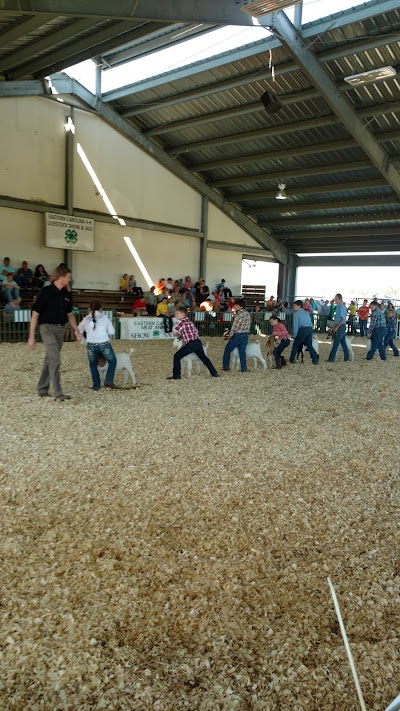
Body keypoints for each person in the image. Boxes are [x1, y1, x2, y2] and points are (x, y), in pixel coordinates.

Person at [27, 265, 81, 401]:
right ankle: (58, 393)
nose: (70, 280)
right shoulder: (46, 292)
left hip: (60, 329)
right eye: (68, 277)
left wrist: (77, 330)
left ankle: (42, 389)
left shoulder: (67, 294)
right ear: (61, 278)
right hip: (47, 328)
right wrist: (31, 336)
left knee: (50, 358)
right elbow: (35, 314)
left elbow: (70, 315)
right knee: (55, 359)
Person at [168, 306, 218, 380]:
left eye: (177, 314)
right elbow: (192, 333)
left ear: (182, 314)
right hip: (197, 342)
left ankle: (176, 375)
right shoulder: (190, 322)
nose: (176, 315)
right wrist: (182, 336)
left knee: (177, 356)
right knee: (204, 358)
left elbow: (174, 332)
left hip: (191, 344)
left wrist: (178, 335)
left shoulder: (181, 322)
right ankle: (214, 373)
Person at [78, 301, 118, 390]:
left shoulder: (85, 319)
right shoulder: (105, 318)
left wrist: (84, 342)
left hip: (91, 345)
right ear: (100, 309)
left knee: (93, 365)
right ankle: (109, 380)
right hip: (104, 344)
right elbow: (112, 332)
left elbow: (78, 332)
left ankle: (96, 385)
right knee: (113, 361)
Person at [222, 298, 251, 373]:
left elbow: (235, 327)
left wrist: (230, 335)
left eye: (237, 305)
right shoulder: (247, 314)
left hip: (237, 335)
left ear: (241, 307)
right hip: (245, 335)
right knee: (242, 352)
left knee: (227, 349)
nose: (235, 306)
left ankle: (226, 366)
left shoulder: (239, 315)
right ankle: (244, 368)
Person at [289, 300, 318, 365]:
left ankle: (292, 359)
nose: (293, 307)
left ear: (299, 306)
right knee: (309, 345)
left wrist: (295, 335)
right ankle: (315, 360)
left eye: (294, 305)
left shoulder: (296, 314)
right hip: (310, 329)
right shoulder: (306, 312)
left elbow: (295, 325)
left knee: (296, 345)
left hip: (303, 329)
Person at [327, 294, 350, 363]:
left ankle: (331, 358)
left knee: (336, 342)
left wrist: (337, 327)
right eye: (335, 298)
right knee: (343, 343)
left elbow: (343, 318)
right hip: (338, 325)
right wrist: (334, 326)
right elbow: (336, 318)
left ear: (340, 299)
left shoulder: (342, 307)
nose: (335, 300)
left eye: (336, 299)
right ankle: (347, 357)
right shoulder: (337, 307)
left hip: (341, 326)